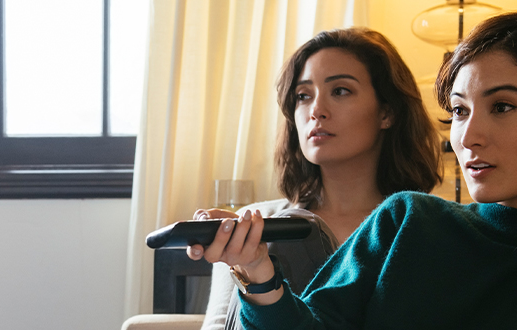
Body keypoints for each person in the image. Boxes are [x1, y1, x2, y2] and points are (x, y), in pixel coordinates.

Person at [201, 11, 517, 330]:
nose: (468, 137)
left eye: (501, 107)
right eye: (459, 111)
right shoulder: (408, 220)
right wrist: (258, 275)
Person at [184, 27, 441, 329]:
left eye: (340, 91)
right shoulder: (255, 224)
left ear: (387, 112)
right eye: (303, 96)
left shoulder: (422, 227)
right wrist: (247, 262)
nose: (316, 110)